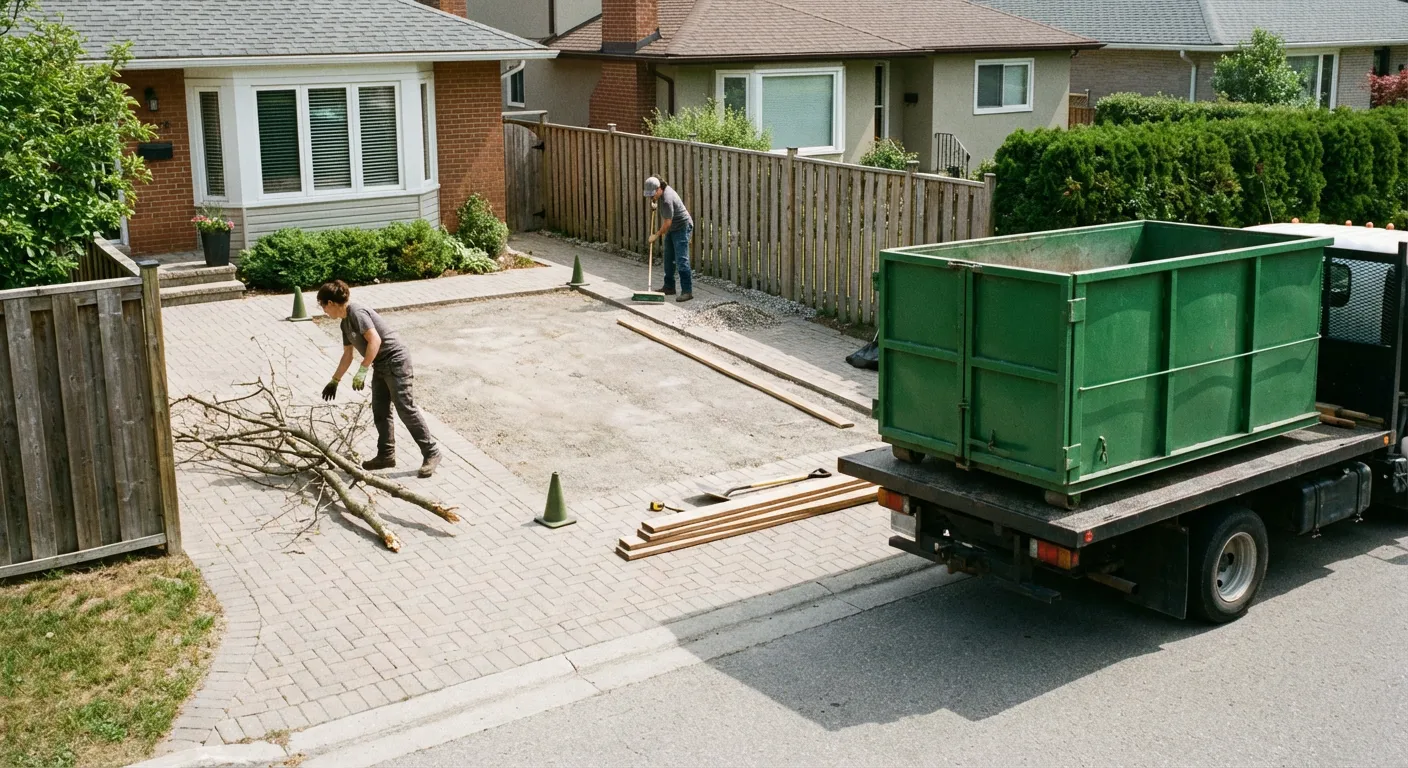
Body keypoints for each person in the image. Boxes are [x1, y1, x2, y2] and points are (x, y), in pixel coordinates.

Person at [317, 280, 441, 478]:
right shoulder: (344, 323)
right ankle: (386, 454)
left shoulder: (356, 312)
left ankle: (431, 452)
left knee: (405, 408)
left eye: (322, 305)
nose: (323, 310)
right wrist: (335, 381)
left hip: (396, 360)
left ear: (330, 303)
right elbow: (347, 355)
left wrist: (363, 369)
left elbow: (375, 340)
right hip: (381, 364)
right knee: (380, 410)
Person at [644, 176, 694, 302]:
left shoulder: (667, 199)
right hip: (673, 228)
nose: (652, 197)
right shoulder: (661, 192)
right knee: (668, 257)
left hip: (682, 227)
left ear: (659, 189)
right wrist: (654, 203)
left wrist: (656, 235)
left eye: (653, 195)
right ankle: (669, 287)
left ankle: (687, 291)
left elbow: (667, 224)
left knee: (681, 259)